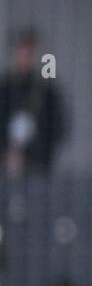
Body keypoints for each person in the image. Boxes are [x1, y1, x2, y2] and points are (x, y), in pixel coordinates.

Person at [1, 28, 67, 178]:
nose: (25, 57)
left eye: (29, 53)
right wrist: (6, 154)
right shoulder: (4, 89)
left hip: (37, 170)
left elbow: (57, 129)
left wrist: (31, 156)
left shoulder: (47, 92)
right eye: (22, 52)